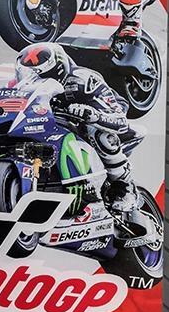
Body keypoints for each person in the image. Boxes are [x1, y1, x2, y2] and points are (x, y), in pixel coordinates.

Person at [14, 43, 155, 243]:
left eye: (41, 74)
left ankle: (123, 188)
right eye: (31, 74)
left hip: (101, 119)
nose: (36, 79)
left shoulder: (83, 79)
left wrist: (93, 114)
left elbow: (119, 119)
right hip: (53, 128)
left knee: (100, 134)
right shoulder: (21, 87)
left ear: (57, 68)